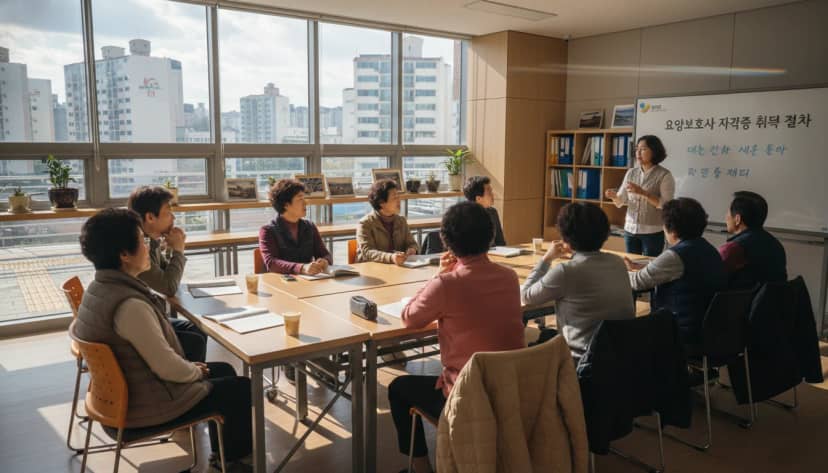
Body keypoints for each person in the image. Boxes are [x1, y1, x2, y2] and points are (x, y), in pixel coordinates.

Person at [73, 208, 252, 470]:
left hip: (118, 399)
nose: (148, 246)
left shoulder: (98, 290)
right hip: (144, 406)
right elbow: (166, 366)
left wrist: (194, 370)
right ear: (124, 254)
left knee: (223, 369)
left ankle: (223, 455)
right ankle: (233, 463)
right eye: (142, 241)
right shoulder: (130, 305)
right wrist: (194, 371)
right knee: (240, 388)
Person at [388, 201, 525, 473]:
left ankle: (421, 468)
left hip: (466, 397)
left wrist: (438, 276)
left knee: (398, 389)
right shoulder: (509, 277)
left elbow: (409, 318)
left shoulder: (447, 283)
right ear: (490, 236)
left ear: (446, 241)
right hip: (510, 391)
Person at [521, 202, 635, 359]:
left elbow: (526, 295)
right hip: (621, 355)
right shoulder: (618, 262)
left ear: (565, 235)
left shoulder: (566, 271)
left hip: (580, 360)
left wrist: (546, 258)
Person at [627, 198, 726, 344]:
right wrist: (645, 268)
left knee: (625, 334)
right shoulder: (709, 249)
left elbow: (636, 282)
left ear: (671, 229)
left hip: (679, 332)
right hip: (710, 331)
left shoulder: (675, 255)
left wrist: (617, 270)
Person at [128, 186, 206, 363]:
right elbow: (168, 287)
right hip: (138, 326)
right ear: (150, 217)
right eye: (169, 212)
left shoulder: (150, 241)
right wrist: (178, 250)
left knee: (198, 329)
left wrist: (172, 249)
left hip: (146, 317)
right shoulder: (137, 248)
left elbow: (165, 274)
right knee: (195, 339)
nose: (174, 217)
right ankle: (192, 382)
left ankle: (197, 376)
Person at [605, 135, 675, 256]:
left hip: (652, 231)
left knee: (649, 266)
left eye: (643, 149)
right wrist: (614, 196)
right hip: (630, 230)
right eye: (637, 149)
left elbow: (666, 205)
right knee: (631, 265)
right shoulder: (631, 172)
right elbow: (621, 200)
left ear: (654, 151)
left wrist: (643, 193)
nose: (638, 152)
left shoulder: (664, 175)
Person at [258, 178, 333, 275]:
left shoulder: (310, 226)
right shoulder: (268, 231)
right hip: (281, 284)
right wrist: (301, 268)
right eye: (300, 199)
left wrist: (325, 261)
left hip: (308, 283)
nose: (306, 203)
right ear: (286, 205)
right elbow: (271, 263)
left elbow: (326, 254)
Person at [719, 191, 787, 289]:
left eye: (728, 212)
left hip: (739, 303)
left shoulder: (733, 249)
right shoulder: (776, 245)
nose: (726, 216)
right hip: (770, 303)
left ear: (737, 219)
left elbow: (711, 280)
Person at [356, 179, 418, 265]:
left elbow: (412, 244)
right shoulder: (365, 224)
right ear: (381, 202)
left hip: (398, 270)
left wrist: (412, 249)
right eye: (394, 197)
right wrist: (391, 258)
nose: (399, 200)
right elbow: (368, 252)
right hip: (373, 272)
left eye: (398, 196)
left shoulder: (401, 221)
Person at [463, 175, 506, 246]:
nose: (493, 195)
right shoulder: (464, 216)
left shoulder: (492, 212)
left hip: (495, 254)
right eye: (489, 192)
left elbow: (500, 241)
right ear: (478, 198)